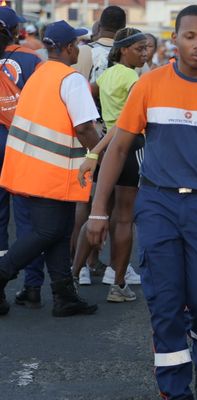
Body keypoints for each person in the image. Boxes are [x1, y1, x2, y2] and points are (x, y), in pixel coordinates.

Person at [86, 6, 197, 399]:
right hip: (158, 205)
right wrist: (98, 210)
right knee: (165, 306)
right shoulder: (149, 86)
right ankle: (176, 392)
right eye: (190, 36)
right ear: (174, 40)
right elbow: (118, 149)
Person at [0, 20, 101, 317]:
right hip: (53, 169)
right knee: (49, 230)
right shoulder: (70, 79)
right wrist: (99, 154)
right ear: (69, 47)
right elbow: (84, 128)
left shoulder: (40, 74)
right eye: (78, 44)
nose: (79, 49)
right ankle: (4, 272)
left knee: (59, 230)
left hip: (29, 165)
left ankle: (64, 295)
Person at [72, 27, 148, 301]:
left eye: (146, 48)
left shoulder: (104, 75)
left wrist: (97, 145)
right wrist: (97, 150)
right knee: (124, 218)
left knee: (98, 212)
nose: (145, 54)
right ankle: (117, 283)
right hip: (129, 147)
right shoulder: (135, 79)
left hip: (107, 146)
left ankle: (74, 272)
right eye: (140, 48)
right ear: (123, 50)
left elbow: (91, 97)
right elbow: (127, 123)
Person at [71, 5, 127, 280]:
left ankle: (77, 265)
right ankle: (108, 265)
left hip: (86, 130)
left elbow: (75, 87)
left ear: (100, 24)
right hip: (118, 136)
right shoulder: (129, 51)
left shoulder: (84, 51)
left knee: (85, 198)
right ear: (123, 26)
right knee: (114, 200)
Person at [0, 7, 47, 309]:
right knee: (30, 220)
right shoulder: (33, 60)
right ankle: (32, 287)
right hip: (23, 146)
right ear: (18, 30)